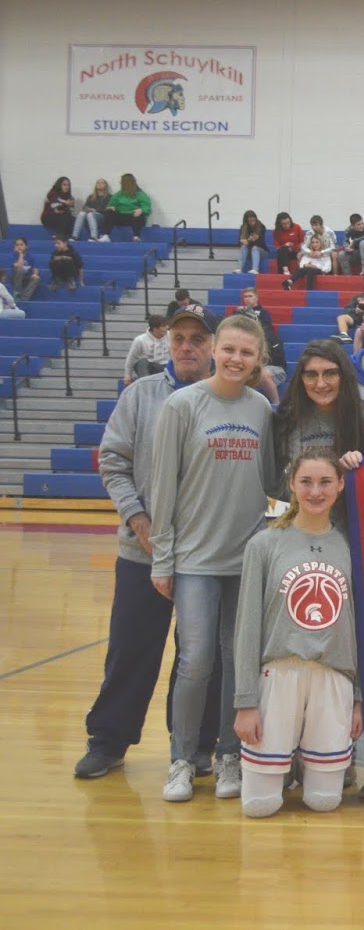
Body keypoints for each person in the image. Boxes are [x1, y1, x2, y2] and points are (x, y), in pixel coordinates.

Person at [73, 303, 223, 782]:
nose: (187, 347)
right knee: (132, 648)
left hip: (205, 554)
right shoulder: (139, 396)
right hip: (142, 551)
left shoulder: (228, 398)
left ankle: (199, 745)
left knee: (201, 655)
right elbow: (112, 463)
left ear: (214, 347)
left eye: (198, 339)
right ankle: (109, 740)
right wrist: (140, 522)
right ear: (166, 343)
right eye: (179, 338)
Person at [148, 313, 278, 803]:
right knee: (196, 660)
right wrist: (163, 558)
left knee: (237, 662)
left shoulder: (262, 409)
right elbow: (163, 487)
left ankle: (229, 755)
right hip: (195, 561)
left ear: (257, 358)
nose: (237, 359)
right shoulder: (182, 406)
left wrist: (272, 544)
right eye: (229, 350)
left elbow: (270, 485)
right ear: (214, 351)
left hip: (245, 561)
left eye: (247, 352)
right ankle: (182, 758)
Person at [233, 448, 361, 819]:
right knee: (260, 806)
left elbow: (356, 629)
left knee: (325, 802)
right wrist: (245, 702)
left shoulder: (352, 546)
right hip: (278, 677)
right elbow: (246, 627)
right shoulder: (264, 545)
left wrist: (357, 698)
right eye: (305, 482)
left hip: (333, 679)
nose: (315, 491)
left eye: (325, 482)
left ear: (340, 485)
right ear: (291, 485)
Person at [273, 341, 364, 487]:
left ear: (344, 376)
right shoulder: (286, 418)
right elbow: (279, 483)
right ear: (301, 379)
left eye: (330, 373)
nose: (320, 384)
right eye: (311, 375)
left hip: (352, 508)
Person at [123, 315, 170, 384]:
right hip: (148, 367)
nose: (167, 327)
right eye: (163, 326)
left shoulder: (171, 336)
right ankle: (145, 384)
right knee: (142, 362)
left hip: (164, 367)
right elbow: (131, 358)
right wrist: (127, 375)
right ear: (155, 328)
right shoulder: (140, 340)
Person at [105, 173, 152, 238]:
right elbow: (111, 204)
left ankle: (136, 237)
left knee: (138, 215)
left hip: (134, 217)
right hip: (122, 217)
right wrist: (112, 207)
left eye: (122, 181)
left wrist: (141, 210)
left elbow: (147, 207)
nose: (120, 183)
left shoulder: (140, 194)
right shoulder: (119, 194)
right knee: (109, 212)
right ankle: (107, 236)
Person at [335, 278, 364, 345]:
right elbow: (346, 309)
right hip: (356, 317)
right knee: (341, 317)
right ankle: (344, 335)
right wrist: (355, 310)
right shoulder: (357, 297)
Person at [9, 237, 39, 301]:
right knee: (20, 269)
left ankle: (24, 298)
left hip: (26, 277)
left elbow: (35, 268)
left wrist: (35, 274)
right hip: (15, 277)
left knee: (36, 278)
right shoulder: (13, 255)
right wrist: (20, 254)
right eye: (17, 245)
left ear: (26, 246)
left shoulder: (30, 256)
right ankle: (16, 295)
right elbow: (18, 266)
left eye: (21, 245)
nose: (19, 246)